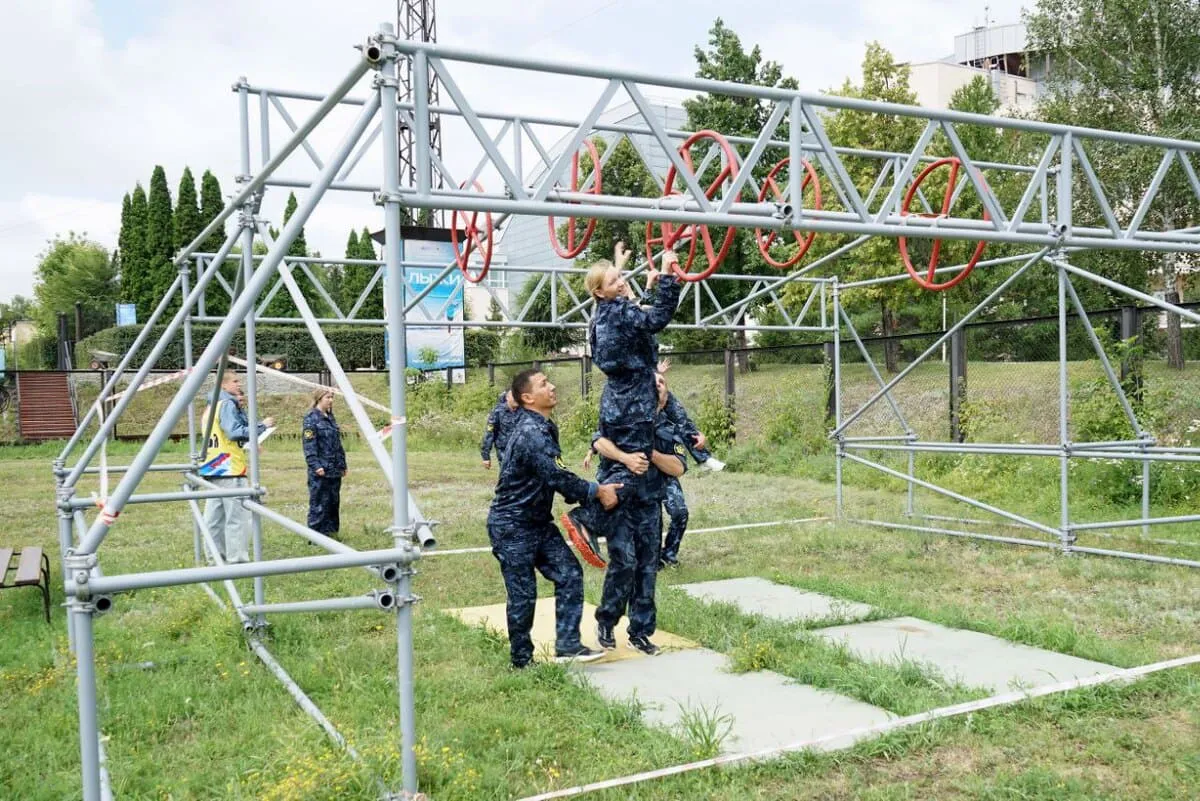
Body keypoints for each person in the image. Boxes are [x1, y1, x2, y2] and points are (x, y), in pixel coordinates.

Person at [487, 369, 622, 669]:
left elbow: (556, 475)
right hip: (512, 525)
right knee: (523, 594)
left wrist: (587, 493)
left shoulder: (545, 427)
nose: (552, 387)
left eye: (549, 381)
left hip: (537, 523)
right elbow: (557, 476)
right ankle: (521, 662)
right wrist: (597, 491)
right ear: (527, 397)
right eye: (543, 384)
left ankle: (568, 645)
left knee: (569, 574)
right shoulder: (531, 433)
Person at [561, 243, 682, 564]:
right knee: (637, 466)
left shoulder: (600, 315)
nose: (622, 282)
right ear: (599, 292)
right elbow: (655, 319)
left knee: (619, 465)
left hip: (614, 400)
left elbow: (633, 319)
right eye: (614, 280)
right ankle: (588, 518)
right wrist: (668, 276)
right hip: (633, 402)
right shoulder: (620, 311)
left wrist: (623, 274)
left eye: (621, 277)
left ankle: (611, 531)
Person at [588, 370, 686, 656]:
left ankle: (640, 632)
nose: (657, 386)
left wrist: (650, 453)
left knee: (647, 569)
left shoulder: (669, 426)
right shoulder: (624, 416)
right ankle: (607, 621)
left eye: (661, 383)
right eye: (652, 383)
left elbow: (678, 466)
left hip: (649, 505)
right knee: (624, 563)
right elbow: (598, 441)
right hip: (620, 502)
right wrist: (625, 457)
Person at [199, 373, 274, 563]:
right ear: (223, 385)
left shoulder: (211, 406)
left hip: (212, 466)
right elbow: (233, 432)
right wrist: (262, 426)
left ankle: (215, 558)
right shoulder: (226, 404)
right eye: (235, 381)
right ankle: (237, 561)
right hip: (230, 467)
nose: (239, 384)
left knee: (213, 519)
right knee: (237, 518)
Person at [303, 388, 348, 539]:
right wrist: (316, 466)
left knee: (333, 503)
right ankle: (316, 537)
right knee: (319, 504)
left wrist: (342, 464)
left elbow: (337, 444)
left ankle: (332, 534)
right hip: (321, 470)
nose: (331, 400)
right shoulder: (311, 418)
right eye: (328, 397)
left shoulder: (330, 417)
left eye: (332, 397)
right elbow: (309, 446)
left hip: (334, 468)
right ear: (319, 398)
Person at [480, 389, 519, 469]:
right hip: (504, 451)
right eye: (513, 396)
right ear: (507, 397)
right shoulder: (498, 411)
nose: (516, 398)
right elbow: (490, 433)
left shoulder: (524, 411)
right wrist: (486, 456)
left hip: (521, 450)